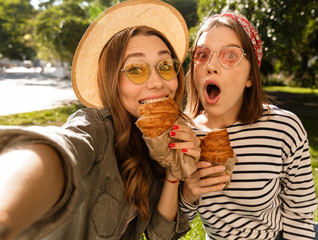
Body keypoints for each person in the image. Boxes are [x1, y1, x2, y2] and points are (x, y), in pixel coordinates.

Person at [0, 0, 200, 239]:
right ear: (112, 81)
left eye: (165, 65)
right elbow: (60, 149)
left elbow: (161, 236)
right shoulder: (96, 129)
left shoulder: (158, 144)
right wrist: (7, 211)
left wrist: (173, 172)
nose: (157, 82)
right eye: (136, 69)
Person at [179, 12, 318, 240]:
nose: (211, 66)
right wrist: (188, 192)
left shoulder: (284, 128)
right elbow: (176, 223)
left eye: (230, 55)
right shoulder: (186, 135)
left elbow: (299, 213)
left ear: (250, 77)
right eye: (202, 55)